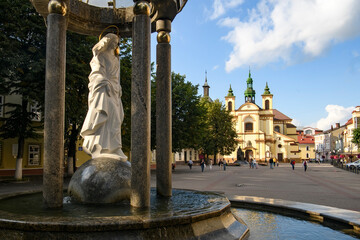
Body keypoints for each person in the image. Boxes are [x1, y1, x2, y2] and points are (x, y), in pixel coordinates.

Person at [81, 33, 127, 161]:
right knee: (105, 114)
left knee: (117, 118)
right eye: (113, 40)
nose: (115, 44)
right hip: (104, 87)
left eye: (117, 41)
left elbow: (116, 77)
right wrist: (103, 81)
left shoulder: (116, 59)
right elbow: (96, 72)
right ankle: (99, 146)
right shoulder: (101, 55)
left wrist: (118, 87)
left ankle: (115, 147)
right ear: (107, 41)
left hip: (115, 90)